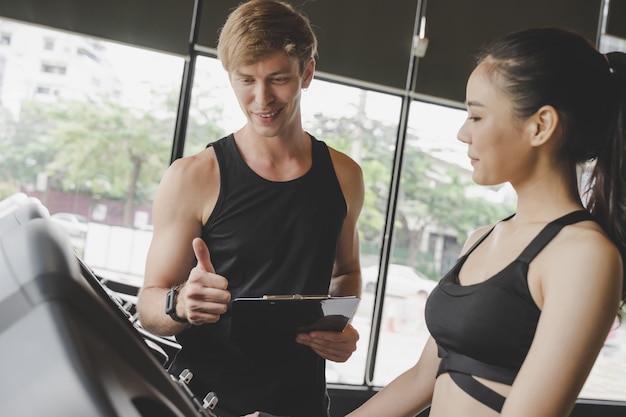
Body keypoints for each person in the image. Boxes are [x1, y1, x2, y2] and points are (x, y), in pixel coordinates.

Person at [347, 27, 625, 417]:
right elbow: (420, 381)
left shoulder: (583, 254)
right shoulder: (482, 238)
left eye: (476, 115)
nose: (463, 133)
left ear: (541, 125)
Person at [136, 1, 364, 416]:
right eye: (246, 80)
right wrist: (181, 304)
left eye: (278, 79)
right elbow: (148, 304)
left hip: (301, 405)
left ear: (306, 73)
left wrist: (337, 329)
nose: (261, 99)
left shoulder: (345, 175)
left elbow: (345, 272)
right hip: (203, 404)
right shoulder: (192, 177)